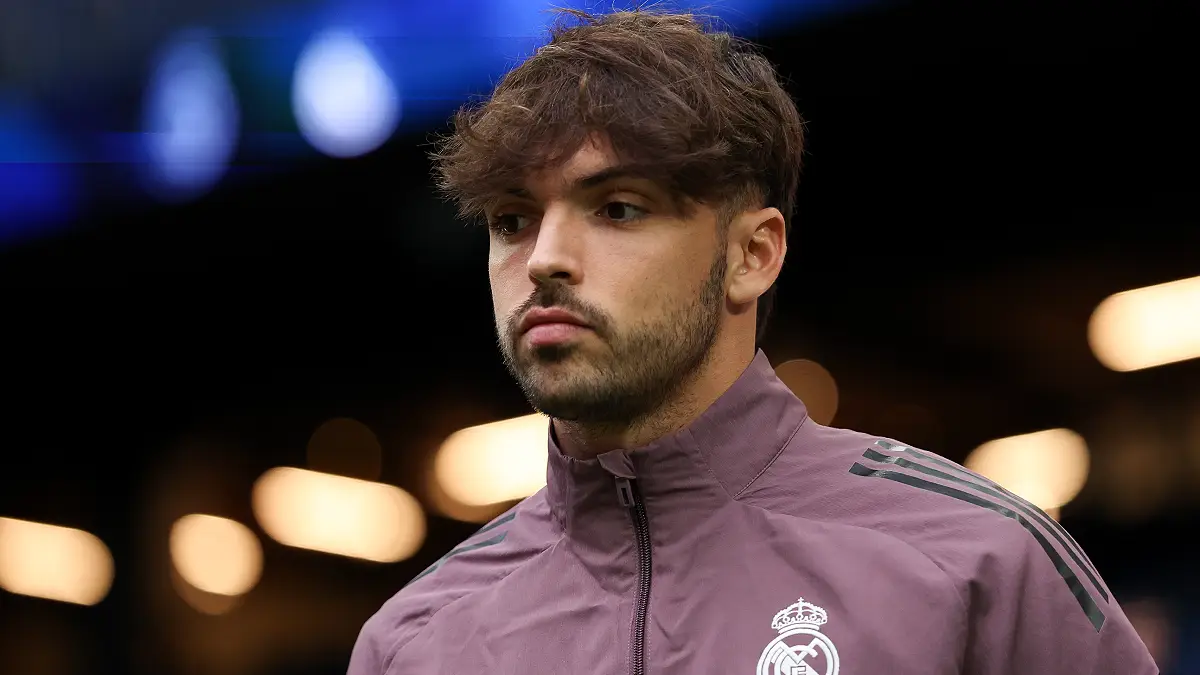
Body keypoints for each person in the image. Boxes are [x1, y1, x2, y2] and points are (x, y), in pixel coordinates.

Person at [349, 9, 1156, 674]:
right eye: (512, 221)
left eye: (618, 207)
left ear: (752, 254)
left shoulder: (977, 563)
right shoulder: (415, 644)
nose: (547, 258)